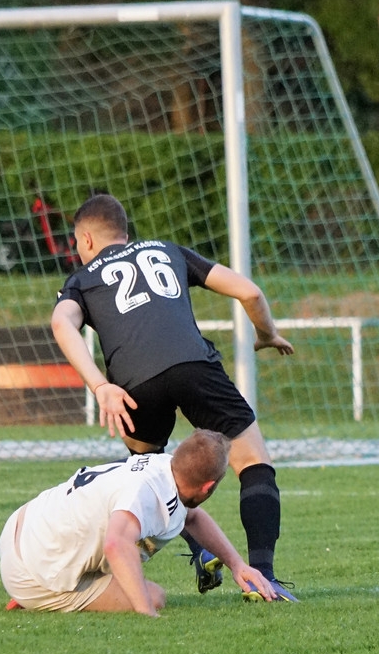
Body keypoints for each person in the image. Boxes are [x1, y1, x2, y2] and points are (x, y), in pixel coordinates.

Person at [50, 193, 297, 602]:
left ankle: (201, 549)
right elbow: (250, 292)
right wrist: (267, 334)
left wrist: (100, 386)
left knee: (150, 472)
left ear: (87, 240)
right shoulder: (168, 251)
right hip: (194, 365)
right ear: (124, 232)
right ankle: (263, 578)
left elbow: (62, 324)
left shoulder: (83, 278)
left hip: (133, 383)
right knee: (253, 462)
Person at [0, 428, 277, 614]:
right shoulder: (147, 493)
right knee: (153, 596)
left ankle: (42, 585)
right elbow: (115, 544)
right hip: (29, 570)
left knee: (126, 560)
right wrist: (147, 612)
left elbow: (192, 517)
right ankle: (36, 596)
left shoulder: (164, 467)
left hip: (23, 526)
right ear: (208, 487)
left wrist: (238, 565)